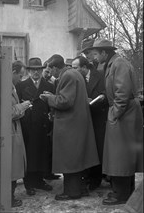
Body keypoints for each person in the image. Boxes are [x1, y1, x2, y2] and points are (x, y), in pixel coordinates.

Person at [88, 39, 143, 205]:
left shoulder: (118, 64)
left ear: (105, 52)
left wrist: (115, 113)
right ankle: (125, 191)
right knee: (122, 154)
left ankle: (121, 194)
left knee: (120, 155)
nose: (95, 57)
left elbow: (122, 92)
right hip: (125, 112)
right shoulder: (115, 63)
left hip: (124, 113)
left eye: (97, 53)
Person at [40, 54, 100, 200]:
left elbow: (65, 101)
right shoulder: (74, 74)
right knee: (77, 158)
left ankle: (72, 192)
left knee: (70, 160)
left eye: (50, 69)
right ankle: (80, 188)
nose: (49, 72)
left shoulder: (67, 76)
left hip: (70, 125)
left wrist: (49, 99)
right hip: (77, 123)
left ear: (55, 68)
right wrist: (53, 96)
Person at [16, 57, 55, 196]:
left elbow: (52, 105)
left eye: (38, 69)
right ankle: (29, 183)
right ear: (29, 71)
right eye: (33, 70)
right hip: (28, 126)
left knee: (42, 153)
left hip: (44, 125)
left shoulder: (49, 85)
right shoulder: (21, 86)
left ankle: (39, 181)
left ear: (42, 70)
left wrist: (51, 116)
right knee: (30, 154)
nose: (36, 72)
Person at [72, 55, 108, 191]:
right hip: (83, 119)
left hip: (98, 117)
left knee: (97, 149)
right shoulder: (76, 78)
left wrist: (97, 99)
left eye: (76, 67)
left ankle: (96, 179)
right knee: (85, 148)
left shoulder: (101, 75)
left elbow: (107, 92)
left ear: (84, 67)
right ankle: (86, 177)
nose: (73, 70)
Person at [11, 60, 31, 207]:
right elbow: (8, 112)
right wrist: (23, 106)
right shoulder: (5, 87)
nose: (21, 79)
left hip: (14, 131)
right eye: (20, 75)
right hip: (10, 132)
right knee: (11, 166)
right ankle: (8, 198)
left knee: (14, 165)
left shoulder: (11, 86)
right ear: (13, 73)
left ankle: (10, 196)